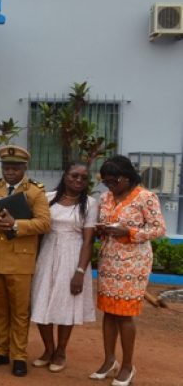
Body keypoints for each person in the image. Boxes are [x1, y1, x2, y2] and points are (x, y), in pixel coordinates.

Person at [90, 155, 166, 386]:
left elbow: (158, 229)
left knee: (124, 314)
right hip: (109, 261)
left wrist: (129, 232)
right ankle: (109, 360)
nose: (110, 186)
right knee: (109, 312)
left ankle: (127, 366)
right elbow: (104, 224)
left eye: (114, 181)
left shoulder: (145, 197)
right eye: (106, 182)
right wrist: (102, 230)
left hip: (134, 263)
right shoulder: (105, 198)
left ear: (128, 176)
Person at [0, 145, 51, 377]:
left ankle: (19, 355)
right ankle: (1, 349)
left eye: (15, 167)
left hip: (21, 260)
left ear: (24, 168)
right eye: (6, 167)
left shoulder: (35, 192)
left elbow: (44, 223)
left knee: (20, 311)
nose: (9, 171)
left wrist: (15, 224)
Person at [30, 162, 97, 373]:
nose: (78, 180)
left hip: (73, 257)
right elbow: (38, 231)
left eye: (83, 178)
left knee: (66, 304)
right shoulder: (48, 199)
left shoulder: (91, 204)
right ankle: (48, 349)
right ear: (65, 175)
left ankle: (60, 351)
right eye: (74, 175)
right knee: (41, 301)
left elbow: (88, 241)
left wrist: (80, 272)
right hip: (47, 254)